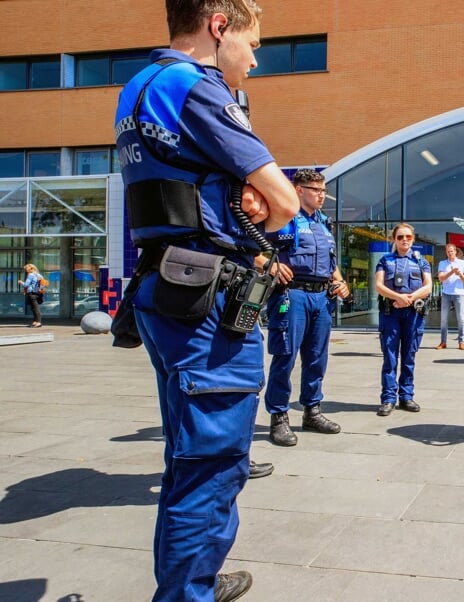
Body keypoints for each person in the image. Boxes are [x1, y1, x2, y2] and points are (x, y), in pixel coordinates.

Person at [114, 1, 299, 599]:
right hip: (208, 305)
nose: (252, 59)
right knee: (214, 466)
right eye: (250, 43)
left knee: (186, 460)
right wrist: (257, 204)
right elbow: (286, 202)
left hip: (165, 289)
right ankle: (188, 594)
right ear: (218, 26)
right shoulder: (199, 88)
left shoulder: (138, 87)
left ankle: (190, 581)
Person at [260, 169, 349, 446]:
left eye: (323, 190)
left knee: (316, 358)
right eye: (315, 190)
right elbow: (248, 245)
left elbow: (330, 262)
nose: (321, 195)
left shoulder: (324, 222)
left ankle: (312, 411)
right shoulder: (281, 217)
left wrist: (340, 281)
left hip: (321, 298)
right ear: (298, 190)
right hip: (292, 295)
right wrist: (269, 264)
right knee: (285, 356)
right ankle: (279, 418)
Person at [376, 223, 433, 416]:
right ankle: (388, 399)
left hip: (413, 314)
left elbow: (428, 286)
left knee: (409, 356)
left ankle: (406, 396)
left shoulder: (421, 262)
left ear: (413, 239)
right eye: (400, 237)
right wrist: (397, 297)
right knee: (390, 357)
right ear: (394, 239)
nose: (404, 240)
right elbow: (378, 285)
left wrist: (408, 299)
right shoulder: (385, 260)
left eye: (408, 237)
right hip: (390, 313)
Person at [435, 243, 464, 350]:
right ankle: (443, 342)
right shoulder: (442, 263)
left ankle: (461, 341)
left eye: (452, 251)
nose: (450, 253)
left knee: (461, 319)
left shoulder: (462, 263)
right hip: (446, 294)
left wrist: (460, 275)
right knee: (444, 319)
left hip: (458, 294)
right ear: (446, 252)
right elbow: (441, 278)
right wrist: (451, 272)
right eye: (448, 251)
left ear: (455, 251)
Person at [18, 263, 46, 328]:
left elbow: (26, 285)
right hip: (38, 293)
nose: (25, 270)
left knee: (35, 308)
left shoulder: (31, 275)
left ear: (30, 268)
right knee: (34, 308)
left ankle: (38, 322)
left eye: (26, 268)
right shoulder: (39, 275)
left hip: (32, 293)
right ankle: (35, 321)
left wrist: (21, 282)